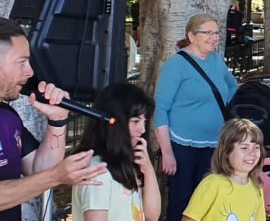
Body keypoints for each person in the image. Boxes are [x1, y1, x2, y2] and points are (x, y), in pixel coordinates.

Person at [0, 18, 107, 221]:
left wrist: (57, 121)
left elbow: (38, 170)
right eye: (21, 62)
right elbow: (48, 176)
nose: (30, 72)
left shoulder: (8, 116)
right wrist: (54, 177)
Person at [155, 13, 239, 221]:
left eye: (216, 33)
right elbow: (160, 109)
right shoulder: (176, 65)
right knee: (182, 201)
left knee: (208, 200)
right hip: (182, 145)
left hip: (214, 144)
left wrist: (217, 109)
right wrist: (167, 152)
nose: (214, 37)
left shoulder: (217, 60)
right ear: (191, 36)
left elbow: (232, 86)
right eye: (207, 32)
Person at [70, 82, 161, 221]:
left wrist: (148, 171)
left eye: (144, 121)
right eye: (135, 121)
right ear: (114, 123)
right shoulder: (96, 171)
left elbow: (152, 215)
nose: (142, 130)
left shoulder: (130, 165)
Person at [181, 119, 266, 221]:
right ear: (226, 152)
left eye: (256, 147)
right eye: (244, 148)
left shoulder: (257, 187)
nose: (252, 153)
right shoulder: (213, 183)